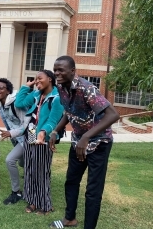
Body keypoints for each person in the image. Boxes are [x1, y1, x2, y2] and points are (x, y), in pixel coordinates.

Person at [49, 56, 120, 229]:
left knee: (92, 191)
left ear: (73, 71)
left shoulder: (87, 88)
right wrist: (55, 130)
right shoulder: (60, 87)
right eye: (55, 69)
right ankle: (69, 219)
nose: (57, 73)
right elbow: (69, 111)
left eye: (61, 70)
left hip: (99, 143)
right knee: (71, 181)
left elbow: (113, 115)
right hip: (78, 143)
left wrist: (87, 137)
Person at [15, 70, 64, 215]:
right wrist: (26, 87)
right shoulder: (36, 94)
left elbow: (53, 120)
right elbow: (19, 103)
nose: (37, 81)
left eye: (39, 79)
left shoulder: (57, 98)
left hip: (44, 138)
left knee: (41, 171)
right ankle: (33, 200)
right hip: (30, 134)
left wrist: (43, 132)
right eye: (35, 79)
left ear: (50, 79)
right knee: (30, 168)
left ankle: (46, 204)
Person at [0, 78, 29, 205]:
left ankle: (16, 192)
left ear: (8, 91)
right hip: (17, 137)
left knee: (10, 160)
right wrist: (11, 135)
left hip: (28, 135)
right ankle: (32, 175)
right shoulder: (0, 106)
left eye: (1, 88)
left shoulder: (16, 103)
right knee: (22, 162)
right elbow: (8, 124)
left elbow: (26, 123)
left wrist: (11, 133)